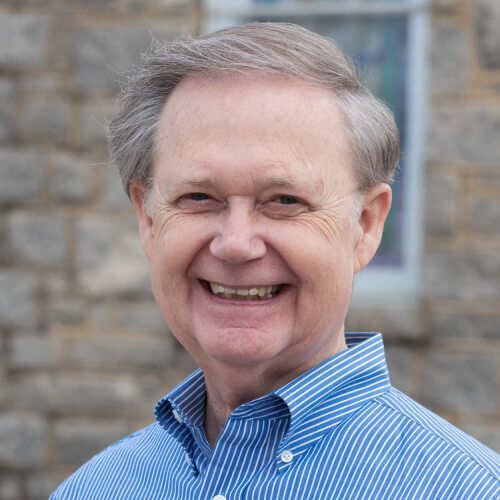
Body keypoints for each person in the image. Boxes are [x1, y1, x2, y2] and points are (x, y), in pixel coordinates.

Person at [51, 22, 499, 499]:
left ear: (366, 225)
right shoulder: (96, 488)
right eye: (199, 197)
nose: (236, 244)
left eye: (284, 201)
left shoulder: (466, 488)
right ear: (148, 219)